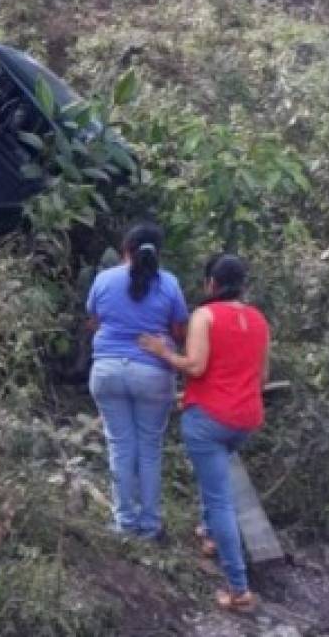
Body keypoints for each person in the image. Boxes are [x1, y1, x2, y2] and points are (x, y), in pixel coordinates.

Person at [140, 254, 270, 613]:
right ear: (242, 284)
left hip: (209, 419)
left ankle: (238, 589)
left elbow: (195, 366)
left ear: (211, 283)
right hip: (245, 419)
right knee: (217, 483)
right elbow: (262, 379)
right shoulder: (258, 319)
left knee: (219, 500)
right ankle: (209, 536)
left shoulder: (205, 315)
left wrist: (162, 351)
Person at [86, 223, 189, 540]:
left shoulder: (103, 280)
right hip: (152, 374)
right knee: (149, 449)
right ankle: (149, 525)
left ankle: (123, 522)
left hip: (106, 371)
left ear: (125, 249)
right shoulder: (169, 283)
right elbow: (180, 332)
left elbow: (94, 322)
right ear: (158, 252)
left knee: (119, 446)